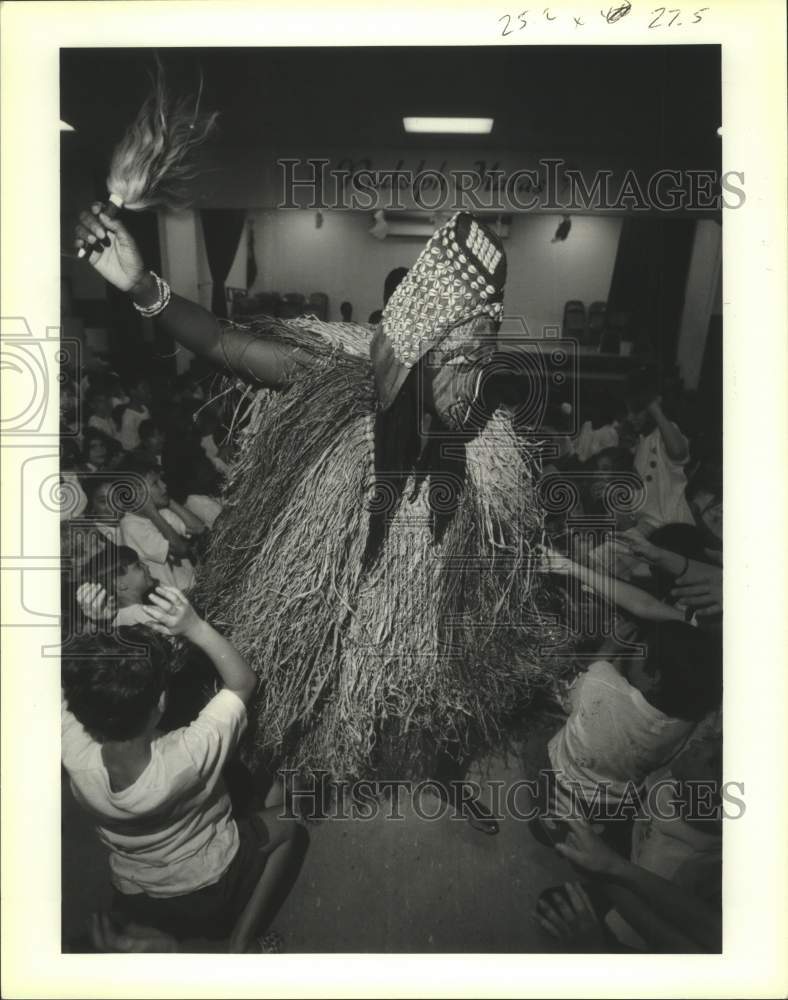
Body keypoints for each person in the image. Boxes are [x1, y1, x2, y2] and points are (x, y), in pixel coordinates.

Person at [75, 203, 555, 797]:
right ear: (417, 352)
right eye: (461, 361)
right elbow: (224, 341)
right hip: (306, 615)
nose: (476, 383)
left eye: (486, 360)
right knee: (277, 740)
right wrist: (142, 286)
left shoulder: (482, 449)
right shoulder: (336, 382)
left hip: (396, 644)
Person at [61, 587, 306, 952]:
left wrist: (91, 625)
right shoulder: (188, 754)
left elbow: (71, 681)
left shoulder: (71, 748)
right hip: (206, 885)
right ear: (161, 701)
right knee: (290, 826)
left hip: (137, 892)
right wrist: (194, 626)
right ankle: (242, 941)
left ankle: (160, 937)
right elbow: (243, 683)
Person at [546, 621, 722, 825]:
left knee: (535, 746)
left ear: (654, 677)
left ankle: (549, 818)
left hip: (562, 776)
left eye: (640, 651)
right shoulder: (685, 725)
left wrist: (609, 648)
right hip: (616, 802)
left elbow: (570, 696)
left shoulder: (602, 680)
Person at [624, 368, 694, 531]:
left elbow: (678, 452)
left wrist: (655, 409)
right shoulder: (643, 440)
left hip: (671, 526)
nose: (629, 417)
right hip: (647, 524)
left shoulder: (665, 435)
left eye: (635, 411)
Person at [117, 457, 200, 591]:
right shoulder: (130, 525)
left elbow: (198, 528)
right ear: (137, 493)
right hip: (176, 598)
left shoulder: (161, 512)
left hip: (192, 584)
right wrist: (153, 513)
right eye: (155, 483)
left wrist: (169, 501)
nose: (164, 485)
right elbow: (180, 549)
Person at [76, 545, 158, 627]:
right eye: (138, 566)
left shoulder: (115, 619)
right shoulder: (150, 616)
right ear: (120, 583)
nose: (146, 566)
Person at [117, 376, 152, 451]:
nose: (148, 390)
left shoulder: (144, 408)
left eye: (148, 387)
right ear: (133, 391)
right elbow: (129, 448)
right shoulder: (129, 418)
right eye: (144, 388)